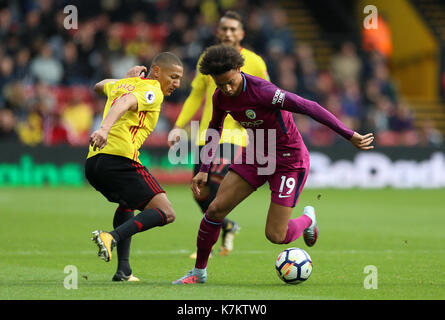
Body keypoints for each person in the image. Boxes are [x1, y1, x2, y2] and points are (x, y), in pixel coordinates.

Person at [172, 45, 374, 284]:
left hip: (289, 160)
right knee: (214, 210)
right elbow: (215, 128)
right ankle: (198, 272)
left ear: (239, 69)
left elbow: (308, 106)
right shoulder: (220, 97)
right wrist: (204, 169)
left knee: (276, 235)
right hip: (257, 154)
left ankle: (308, 219)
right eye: (220, 84)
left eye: (230, 82)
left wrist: (349, 134)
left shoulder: (264, 91)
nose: (226, 88)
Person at [168, 11, 269, 258]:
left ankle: (208, 245)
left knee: (214, 183)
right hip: (207, 135)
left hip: (235, 135)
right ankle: (226, 226)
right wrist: (178, 125)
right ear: (218, 32)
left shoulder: (254, 61)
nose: (228, 33)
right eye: (224, 28)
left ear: (241, 34)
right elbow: (195, 96)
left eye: (234, 29)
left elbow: (268, 94)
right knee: (200, 191)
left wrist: (261, 128)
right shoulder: (207, 59)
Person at [85, 53, 183, 282]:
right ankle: (111, 237)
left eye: (180, 78)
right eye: (174, 76)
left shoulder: (125, 84)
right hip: (119, 159)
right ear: (156, 71)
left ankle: (124, 270)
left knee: (126, 204)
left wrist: (124, 80)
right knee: (167, 213)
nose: (177, 83)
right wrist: (105, 129)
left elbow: (99, 86)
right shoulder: (153, 90)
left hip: (94, 163)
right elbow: (124, 102)